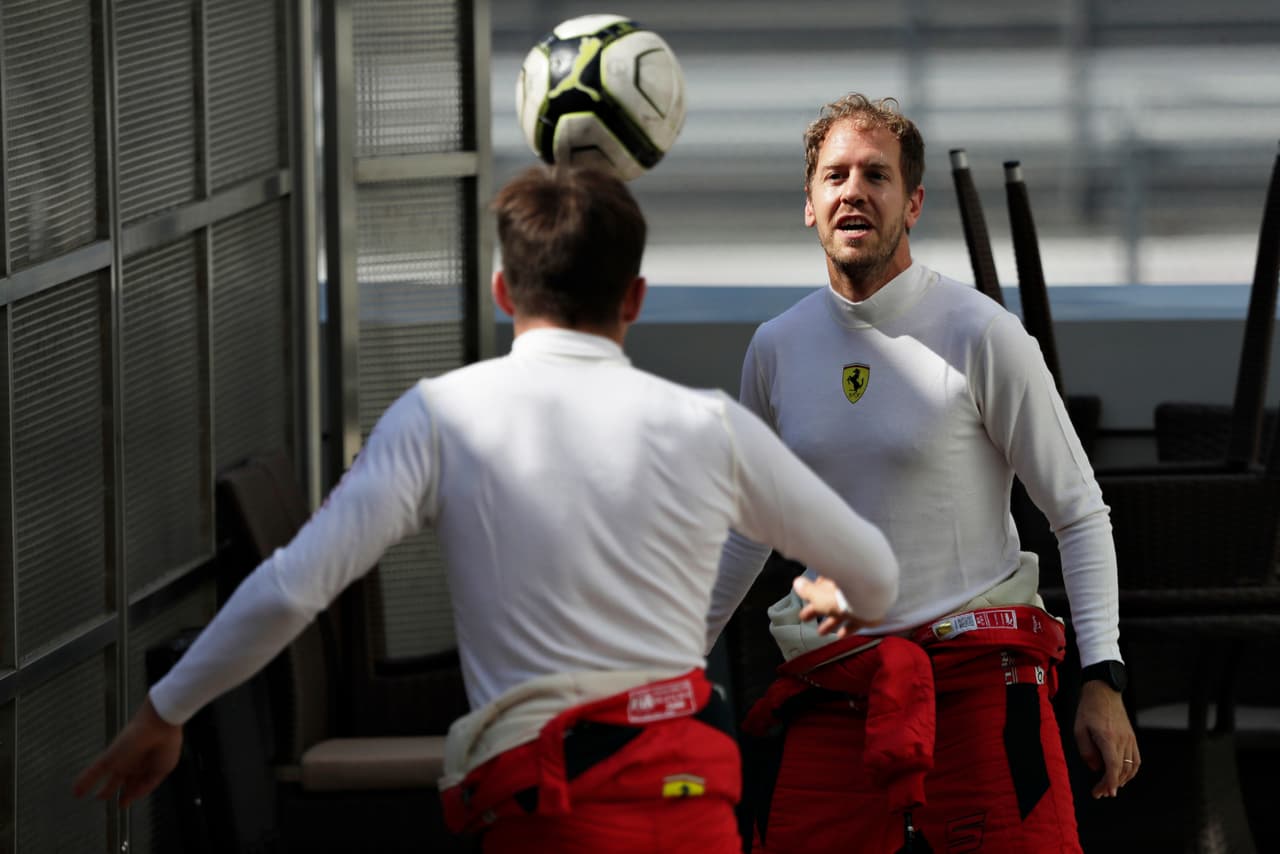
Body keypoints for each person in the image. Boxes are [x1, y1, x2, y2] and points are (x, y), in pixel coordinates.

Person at [73, 164, 900, 853]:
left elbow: (295, 585)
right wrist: (837, 593)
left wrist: (164, 710)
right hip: (694, 802)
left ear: (504, 290)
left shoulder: (443, 415)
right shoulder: (710, 425)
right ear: (637, 297)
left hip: (548, 811)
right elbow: (875, 570)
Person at [705, 94, 1140, 853]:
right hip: (835, 690)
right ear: (809, 205)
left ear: (913, 203)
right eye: (834, 176)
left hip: (979, 689)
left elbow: (1077, 510)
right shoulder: (775, 347)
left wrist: (1103, 677)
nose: (853, 191)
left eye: (876, 175)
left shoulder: (985, 334)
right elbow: (747, 531)